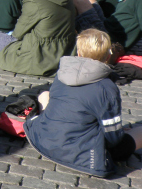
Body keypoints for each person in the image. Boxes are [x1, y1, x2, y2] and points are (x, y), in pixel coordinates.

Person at [24, 29, 142, 178]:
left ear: (79, 52)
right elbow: (113, 139)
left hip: (43, 140)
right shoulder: (107, 88)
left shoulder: (62, 73)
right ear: (108, 56)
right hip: (83, 155)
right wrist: (122, 132)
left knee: (45, 95)